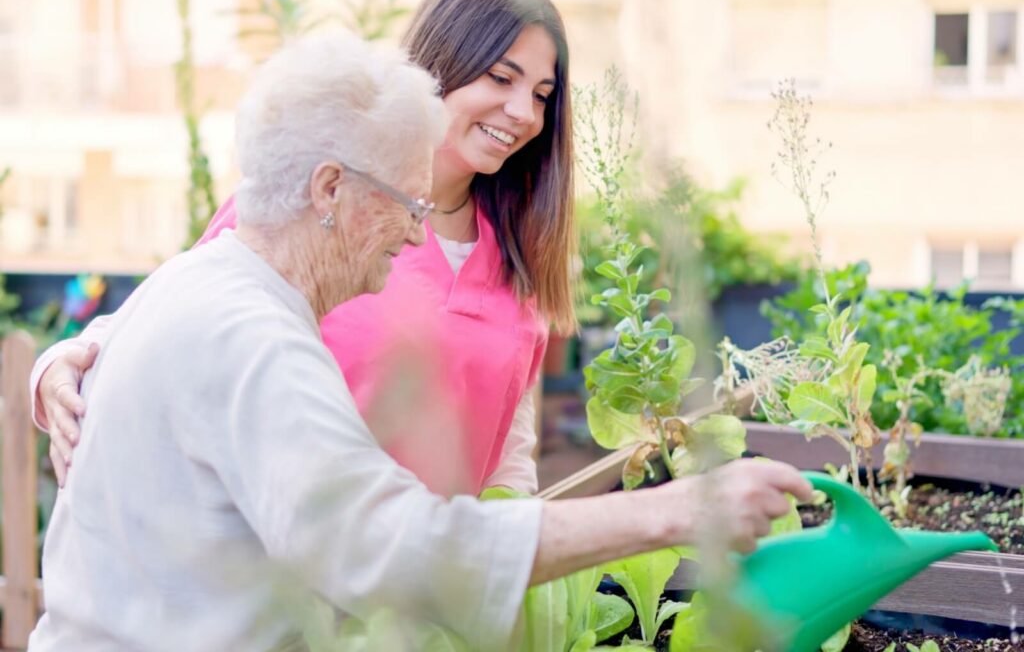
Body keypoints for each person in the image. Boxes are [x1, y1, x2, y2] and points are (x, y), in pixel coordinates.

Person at [27, 32, 813, 651]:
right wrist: (675, 513)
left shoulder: (204, 288)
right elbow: (389, 547)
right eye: (404, 202)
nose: (415, 233)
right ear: (329, 189)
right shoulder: (255, 339)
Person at [33, 0, 576, 496]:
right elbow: (183, 316)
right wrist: (64, 362)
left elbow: (509, 435)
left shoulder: (520, 253)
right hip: (286, 574)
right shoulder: (322, 197)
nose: (524, 113)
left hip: (433, 579)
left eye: (542, 95)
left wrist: (504, 533)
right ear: (445, 61)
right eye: (502, 79)